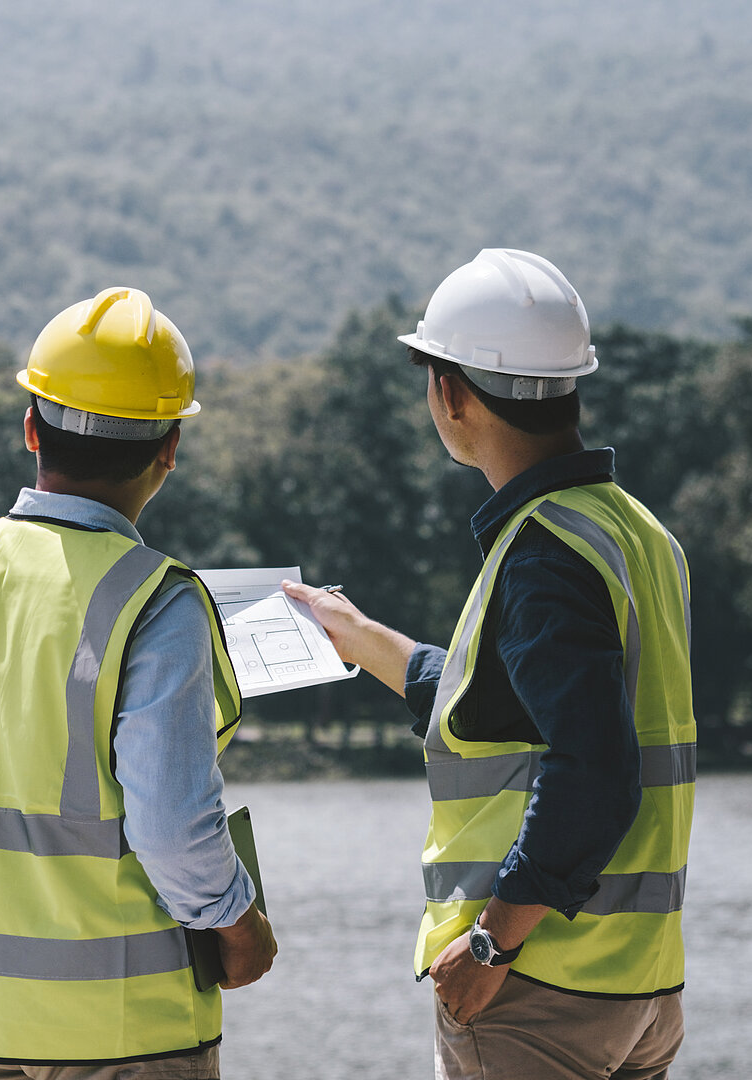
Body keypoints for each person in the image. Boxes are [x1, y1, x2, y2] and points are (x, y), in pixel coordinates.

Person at [281, 249, 695, 1079]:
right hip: (639, 983)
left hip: (541, 985)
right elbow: (504, 717)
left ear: (450, 393)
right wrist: (364, 640)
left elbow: (592, 768)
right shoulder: (632, 532)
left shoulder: (544, 553)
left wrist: (488, 943)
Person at [0, 287, 276, 1080]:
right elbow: (172, 826)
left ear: (31, 426)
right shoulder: (157, 598)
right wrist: (239, 925)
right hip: (128, 1035)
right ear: (170, 447)